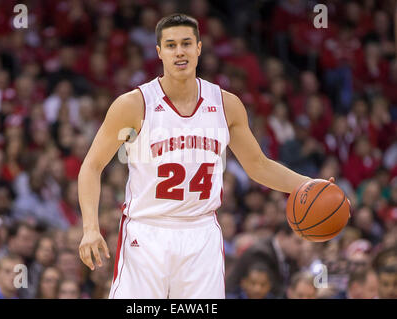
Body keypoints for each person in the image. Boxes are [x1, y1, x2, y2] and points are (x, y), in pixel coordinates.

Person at [78, 13, 335, 299]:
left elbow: (259, 166)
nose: (180, 52)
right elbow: (92, 165)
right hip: (147, 231)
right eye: (171, 45)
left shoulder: (226, 105)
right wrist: (90, 228)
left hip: (201, 233)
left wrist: (311, 185)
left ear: (199, 48)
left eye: (186, 43)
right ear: (159, 52)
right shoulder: (134, 105)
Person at [226, 222, 303, 298]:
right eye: (297, 242)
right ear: (282, 236)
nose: (301, 247)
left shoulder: (290, 257)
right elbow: (269, 288)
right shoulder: (261, 253)